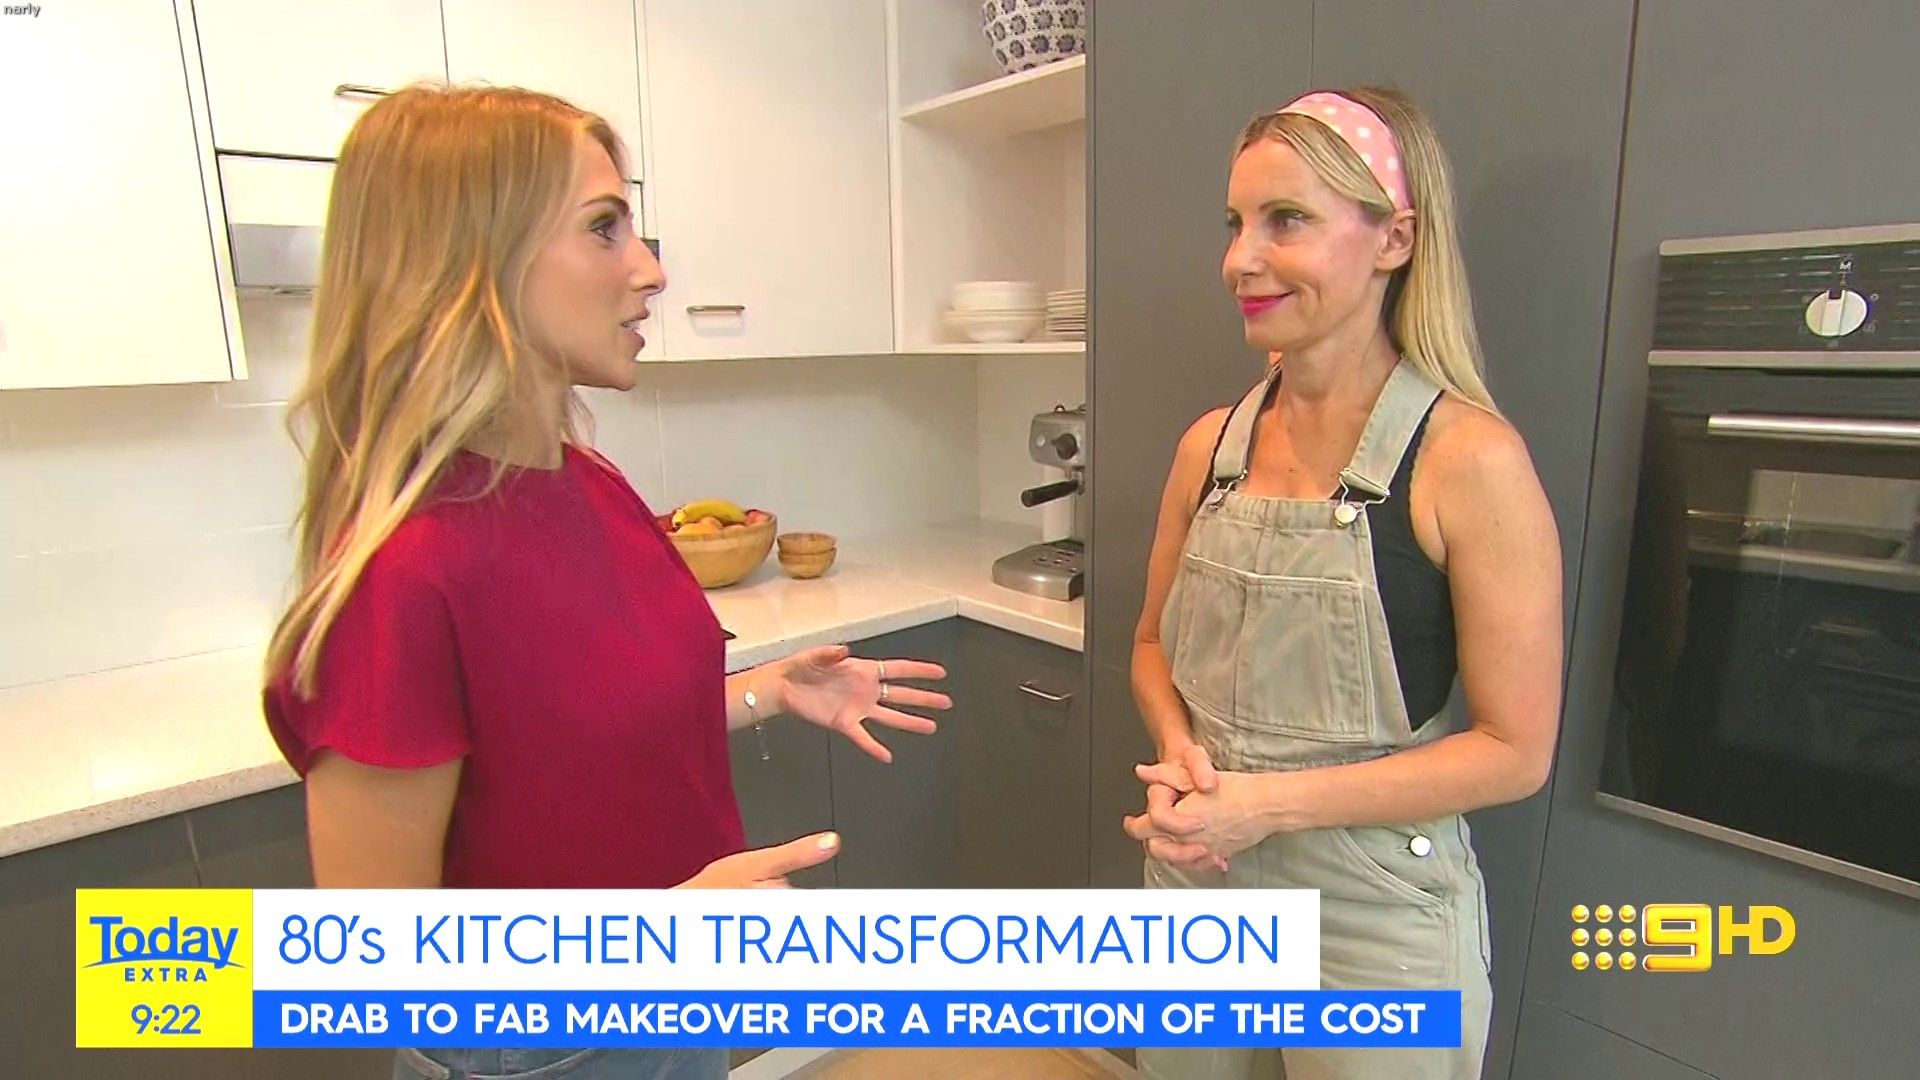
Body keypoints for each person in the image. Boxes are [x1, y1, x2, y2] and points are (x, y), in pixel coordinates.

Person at [260, 84, 953, 1080]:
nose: (652, 269)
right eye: (603, 228)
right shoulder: (403, 572)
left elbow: (570, 741)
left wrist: (768, 690)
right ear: (475, 262)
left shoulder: (586, 482)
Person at [1123, 86, 1564, 1080]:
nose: (1240, 259)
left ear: (1394, 239)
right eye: (1235, 223)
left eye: (1286, 220)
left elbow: (1514, 752)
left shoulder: (1469, 463)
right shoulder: (1209, 451)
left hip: (1372, 909)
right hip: (1200, 876)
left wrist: (1266, 806)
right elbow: (1151, 647)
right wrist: (1183, 753)